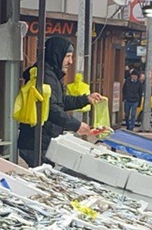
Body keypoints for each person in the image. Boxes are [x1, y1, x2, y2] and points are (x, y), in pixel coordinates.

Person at [16, 36, 103, 165]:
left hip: (42, 140)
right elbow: (51, 108)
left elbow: (60, 101)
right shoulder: (45, 76)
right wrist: (76, 125)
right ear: (57, 55)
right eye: (68, 56)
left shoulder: (52, 75)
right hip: (37, 141)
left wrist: (86, 99)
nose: (71, 61)